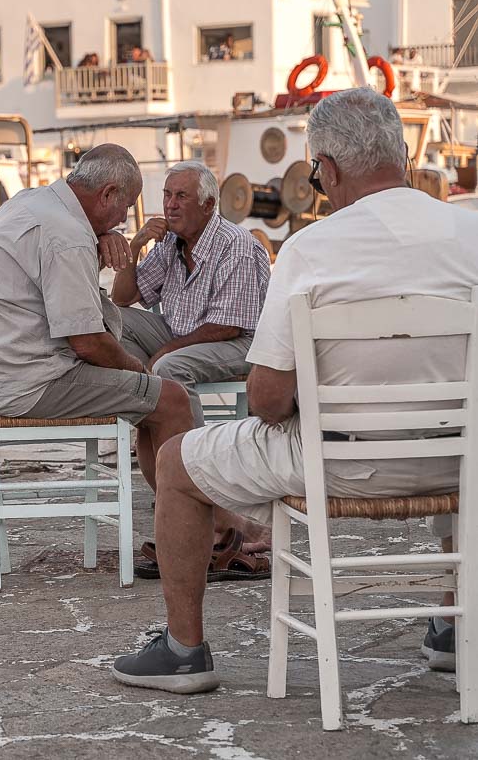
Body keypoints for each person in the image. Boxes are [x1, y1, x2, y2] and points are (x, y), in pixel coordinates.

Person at [110, 87, 478, 695]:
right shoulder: (470, 235)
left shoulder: (310, 249)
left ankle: (183, 651)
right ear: (404, 155)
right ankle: (450, 625)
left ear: (327, 170)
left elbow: (268, 401)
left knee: (175, 462)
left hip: (337, 465)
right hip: (455, 461)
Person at [0, 145, 195, 500]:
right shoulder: (67, 235)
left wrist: (99, 237)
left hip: (2, 377)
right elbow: (87, 342)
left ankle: (178, 512)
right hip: (31, 385)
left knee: (153, 401)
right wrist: (137, 370)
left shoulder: (33, 203)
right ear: (107, 195)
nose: (124, 218)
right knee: (172, 399)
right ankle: (208, 528)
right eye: (127, 206)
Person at [111, 161, 272, 576]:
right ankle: (160, 429)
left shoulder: (234, 244)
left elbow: (229, 324)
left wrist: (163, 352)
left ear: (208, 203)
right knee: (110, 320)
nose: (171, 204)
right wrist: (136, 244)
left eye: (181, 196)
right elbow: (123, 297)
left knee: (168, 366)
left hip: (238, 342)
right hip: (182, 334)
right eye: (167, 195)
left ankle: (202, 494)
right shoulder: (169, 243)